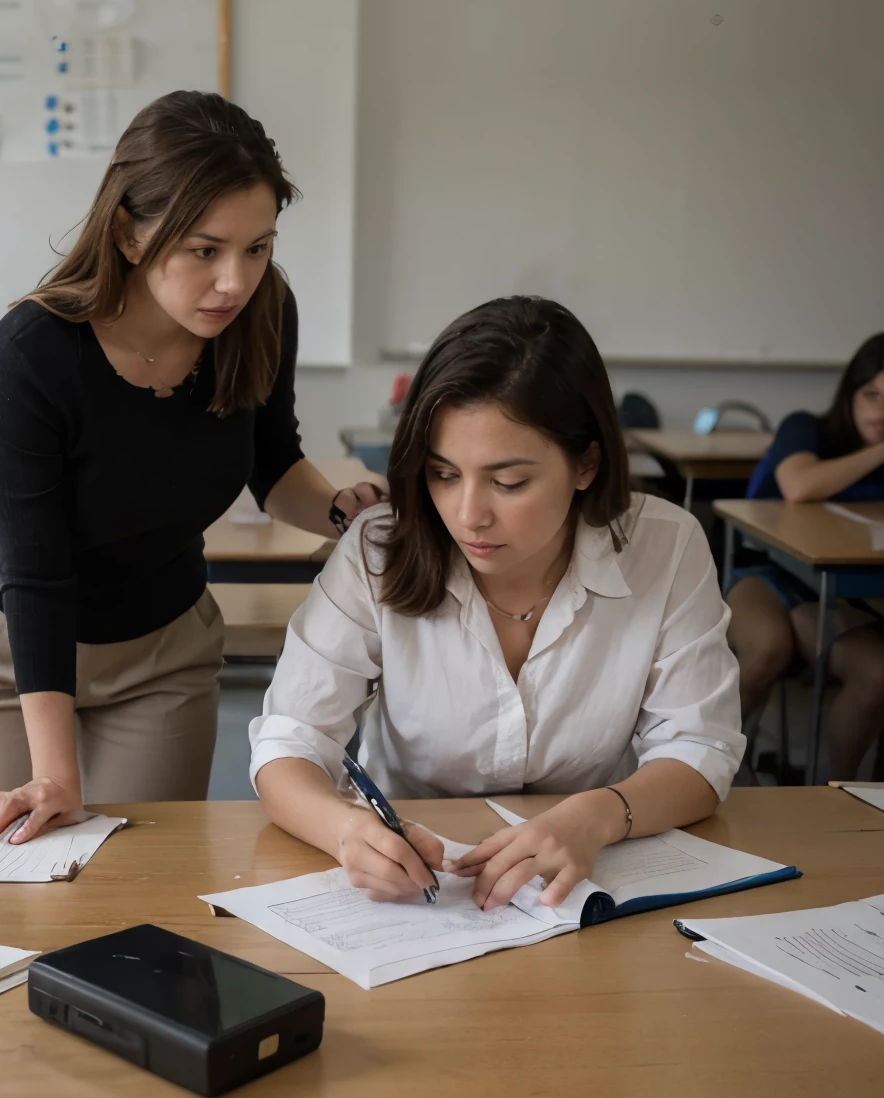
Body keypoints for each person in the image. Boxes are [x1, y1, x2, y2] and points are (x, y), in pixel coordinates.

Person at [0, 91, 383, 845]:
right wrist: (55, 775)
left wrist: (339, 510)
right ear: (129, 232)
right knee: (18, 885)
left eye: (257, 247)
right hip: (9, 643)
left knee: (143, 893)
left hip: (161, 644)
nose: (236, 281)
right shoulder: (35, 349)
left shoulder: (262, 313)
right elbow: (35, 568)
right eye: (205, 250)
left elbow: (272, 463)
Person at [250, 297, 743, 911]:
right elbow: (290, 740)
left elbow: (701, 748)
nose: (467, 515)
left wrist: (595, 817)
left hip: (591, 878)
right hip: (424, 891)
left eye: (509, 482)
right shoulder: (380, 549)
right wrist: (349, 832)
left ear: (586, 462)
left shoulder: (664, 547)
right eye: (444, 474)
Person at [727, 333, 884, 780]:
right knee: (767, 646)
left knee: (877, 673)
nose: (880, 411)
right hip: (764, 575)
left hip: (833, 595)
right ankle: (707, 766)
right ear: (849, 394)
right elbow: (799, 486)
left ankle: (842, 793)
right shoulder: (806, 427)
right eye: (871, 395)